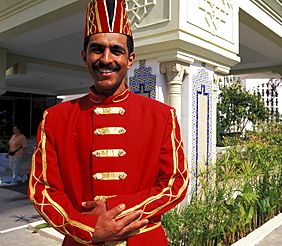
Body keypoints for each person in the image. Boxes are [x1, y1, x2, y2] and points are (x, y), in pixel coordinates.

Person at [28, 0, 188, 245]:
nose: (106, 59)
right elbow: (42, 189)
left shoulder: (162, 115)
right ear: (84, 57)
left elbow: (175, 183)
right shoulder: (56, 118)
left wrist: (115, 209)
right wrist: (88, 230)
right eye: (97, 49)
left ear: (130, 58)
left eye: (116, 50)